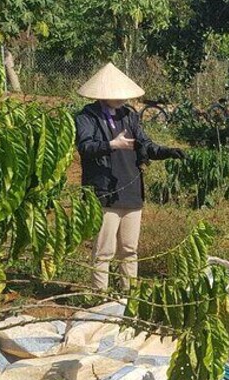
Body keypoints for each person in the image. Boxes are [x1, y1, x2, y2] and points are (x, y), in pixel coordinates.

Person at [75, 62, 186, 291]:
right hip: (104, 190)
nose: (121, 99)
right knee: (104, 249)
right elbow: (85, 147)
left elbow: (145, 145)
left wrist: (167, 152)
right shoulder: (87, 116)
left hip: (131, 190)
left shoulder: (129, 116)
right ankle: (100, 296)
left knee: (129, 248)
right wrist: (112, 144)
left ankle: (129, 294)